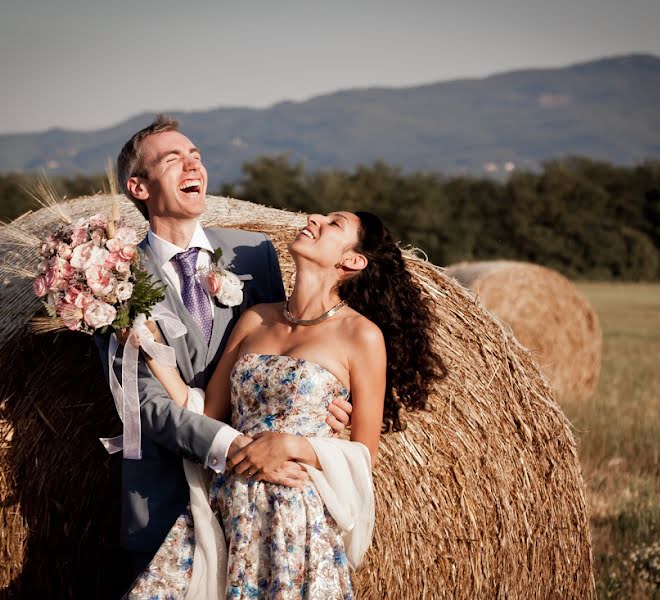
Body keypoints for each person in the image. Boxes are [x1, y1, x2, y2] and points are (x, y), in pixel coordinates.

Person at [127, 209, 447, 598]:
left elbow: (363, 454)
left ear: (352, 260)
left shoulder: (361, 336)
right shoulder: (256, 319)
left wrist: (295, 446)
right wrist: (146, 343)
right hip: (226, 508)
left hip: (296, 519)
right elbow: (206, 412)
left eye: (333, 223)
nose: (314, 218)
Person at [96, 115, 352, 584]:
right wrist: (240, 449)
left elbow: (297, 349)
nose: (193, 164)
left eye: (195, 155)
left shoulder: (252, 254)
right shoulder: (113, 275)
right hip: (166, 502)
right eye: (173, 160)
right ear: (139, 186)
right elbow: (145, 404)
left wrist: (335, 405)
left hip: (263, 505)